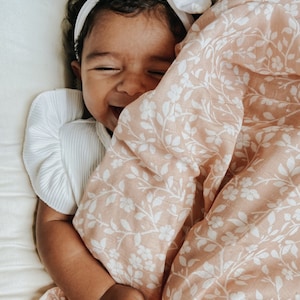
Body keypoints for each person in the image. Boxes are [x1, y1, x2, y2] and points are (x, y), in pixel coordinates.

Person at [23, 0, 199, 299]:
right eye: (107, 67)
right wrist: (101, 291)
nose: (130, 86)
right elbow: (53, 225)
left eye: (157, 72)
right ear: (79, 74)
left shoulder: (200, 133)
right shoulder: (74, 144)